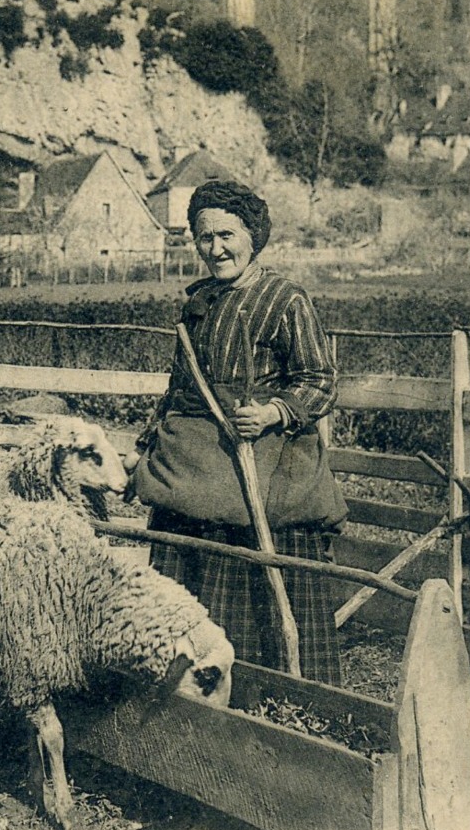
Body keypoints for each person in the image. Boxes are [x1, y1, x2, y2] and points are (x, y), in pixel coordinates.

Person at [131, 180, 349, 685]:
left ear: (254, 236)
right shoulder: (198, 305)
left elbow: (320, 381)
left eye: (227, 235)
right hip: (193, 467)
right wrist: (144, 449)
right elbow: (179, 389)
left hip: (264, 467)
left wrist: (275, 412)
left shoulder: (285, 300)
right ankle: (184, 688)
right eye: (205, 238)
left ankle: (274, 691)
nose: (216, 249)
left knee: (262, 568)